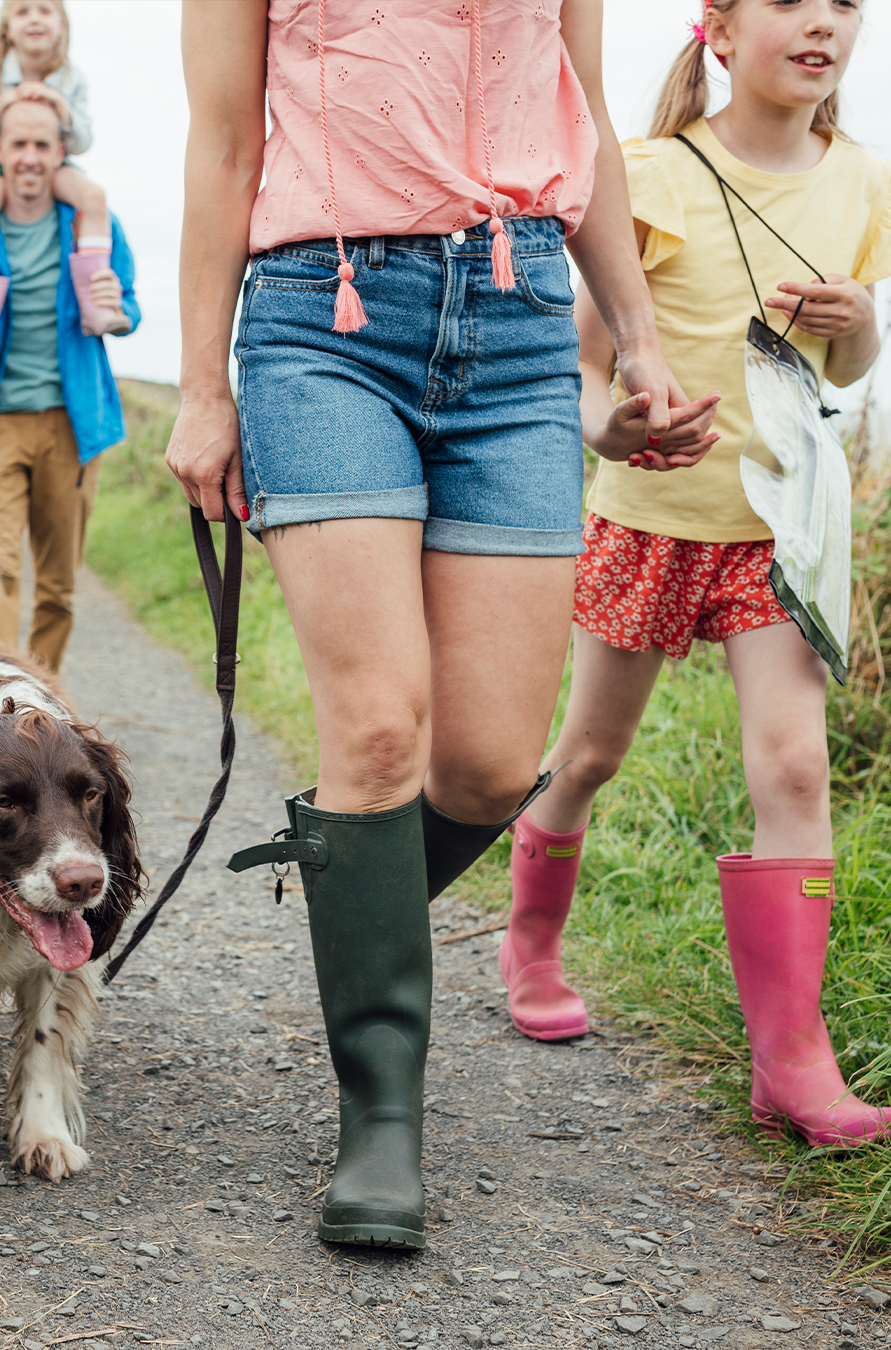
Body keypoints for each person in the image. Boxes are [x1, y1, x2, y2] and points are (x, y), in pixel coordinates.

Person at [168, 0, 712, 1250]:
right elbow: (221, 142)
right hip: (326, 318)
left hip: (520, 325)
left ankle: (350, 887)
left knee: (487, 764)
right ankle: (382, 1119)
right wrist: (204, 385)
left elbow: (586, 121)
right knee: (376, 735)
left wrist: (638, 340)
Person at [505, 0, 891, 1147]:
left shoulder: (864, 180)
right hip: (649, 522)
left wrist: (862, 321)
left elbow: (851, 364)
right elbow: (578, 372)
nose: (821, 23)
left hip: (783, 534)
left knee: (793, 761)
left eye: (845, 6)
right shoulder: (654, 175)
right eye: (789, 2)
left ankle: (794, 1062)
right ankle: (532, 945)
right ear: (719, 33)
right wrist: (609, 431)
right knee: (589, 754)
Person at [0, 97, 141, 674]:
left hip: (72, 424)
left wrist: (121, 305)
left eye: (42, 145)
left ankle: (39, 705)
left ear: (61, 152)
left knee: (58, 586)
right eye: (17, 144)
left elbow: (131, 306)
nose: (29, 157)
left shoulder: (92, 227)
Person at [0, 0, 126, 359]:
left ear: (61, 24)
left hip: (53, 168)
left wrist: (61, 107)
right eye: (23, 11)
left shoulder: (72, 77)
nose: (34, 18)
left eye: (45, 10)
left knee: (94, 197)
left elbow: (82, 142)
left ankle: (98, 305)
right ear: (7, 27)